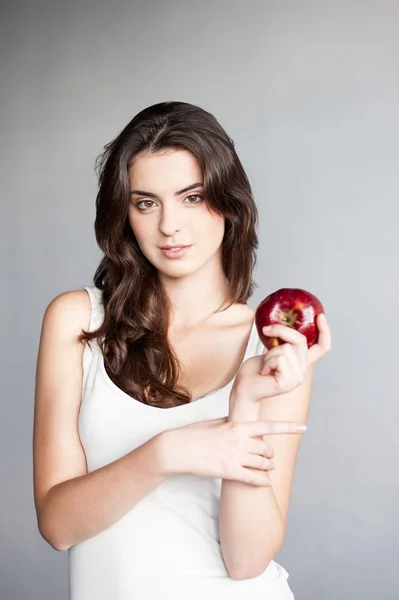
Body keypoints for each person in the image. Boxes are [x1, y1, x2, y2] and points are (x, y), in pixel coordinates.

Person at [33, 101, 331, 600]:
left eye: (191, 197)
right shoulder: (78, 320)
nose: (169, 225)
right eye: (146, 202)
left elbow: (246, 560)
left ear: (227, 202)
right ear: (124, 213)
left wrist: (245, 408)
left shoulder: (271, 347)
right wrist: (165, 453)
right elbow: (58, 526)